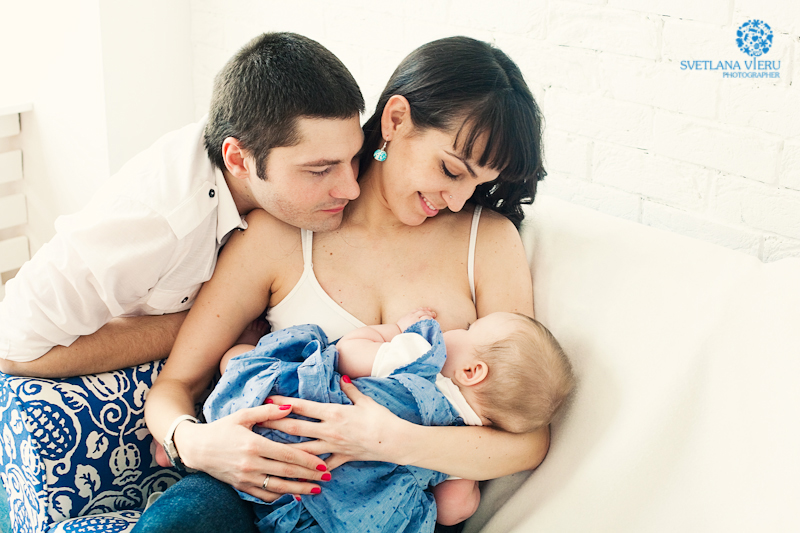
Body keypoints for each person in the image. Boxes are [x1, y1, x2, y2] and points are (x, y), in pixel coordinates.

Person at [137, 35, 547, 533]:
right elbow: (175, 385)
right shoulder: (280, 234)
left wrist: (387, 440)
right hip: (261, 486)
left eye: (478, 183)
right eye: (450, 170)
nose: (459, 200)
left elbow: (528, 440)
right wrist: (195, 443)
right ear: (395, 120)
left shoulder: (488, 242)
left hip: (393, 509)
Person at [0, 32, 365, 379]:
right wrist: (209, 325)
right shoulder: (155, 220)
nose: (351, 189)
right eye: (319, 170)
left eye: (355, 158)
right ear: (237, 160)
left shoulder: (263, 138)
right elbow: (13, 348)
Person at [203, 309, 574, 532]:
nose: (459, 329)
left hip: (282, 430)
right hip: (330, 512)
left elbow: (348, 353)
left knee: (240, 360)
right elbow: (453, 511)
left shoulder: (421, 357)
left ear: (472, 371)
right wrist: (472, 485)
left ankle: (224, 380)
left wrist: (394, 331)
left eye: (470, 329)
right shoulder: (467, 449)